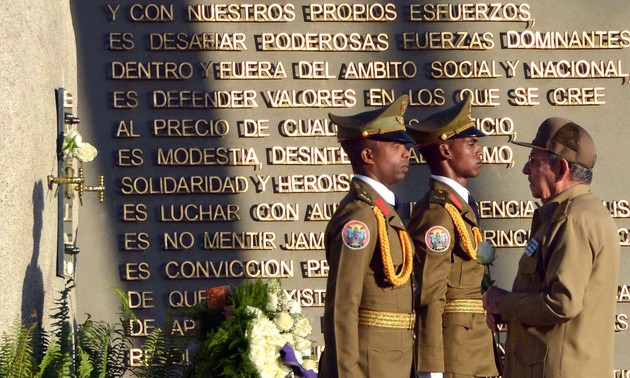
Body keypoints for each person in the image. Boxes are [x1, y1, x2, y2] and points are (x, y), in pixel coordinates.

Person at [482, 118, 620, 377]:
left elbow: (563, 302)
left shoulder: (572, 220)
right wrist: (510, 312)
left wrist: (505, 303)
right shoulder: (577, 214)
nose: (525, 169)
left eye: (534, 160)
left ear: (562, 168)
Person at [319, 95, 417, 378]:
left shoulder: (383, 210)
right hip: (368, 368)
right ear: (367, 155)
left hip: (393, 365)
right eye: (396, 146)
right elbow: (342, 304)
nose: (406, 152)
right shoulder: (360, 217)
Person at [405, 96, 500, 378]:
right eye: (471, 144)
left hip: (476, 349)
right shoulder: (437, 213)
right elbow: (430, 295)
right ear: (445, 150)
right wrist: (431, 369)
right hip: (455, 356)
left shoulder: (461, 206)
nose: (479, 151)